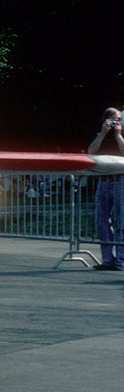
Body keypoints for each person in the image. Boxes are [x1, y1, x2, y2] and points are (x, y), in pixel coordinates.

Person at [87, 107, 124, 270]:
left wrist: (118, 135)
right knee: (101, 221)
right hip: (103, 181)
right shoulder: (100, 135)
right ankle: (107, 260)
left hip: (121, 180)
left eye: (119, 120)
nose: (116, 123)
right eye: (113, 120)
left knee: (121, 222)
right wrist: (103, 133)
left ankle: (121, 261)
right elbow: (91, 151)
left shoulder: (121, 135)